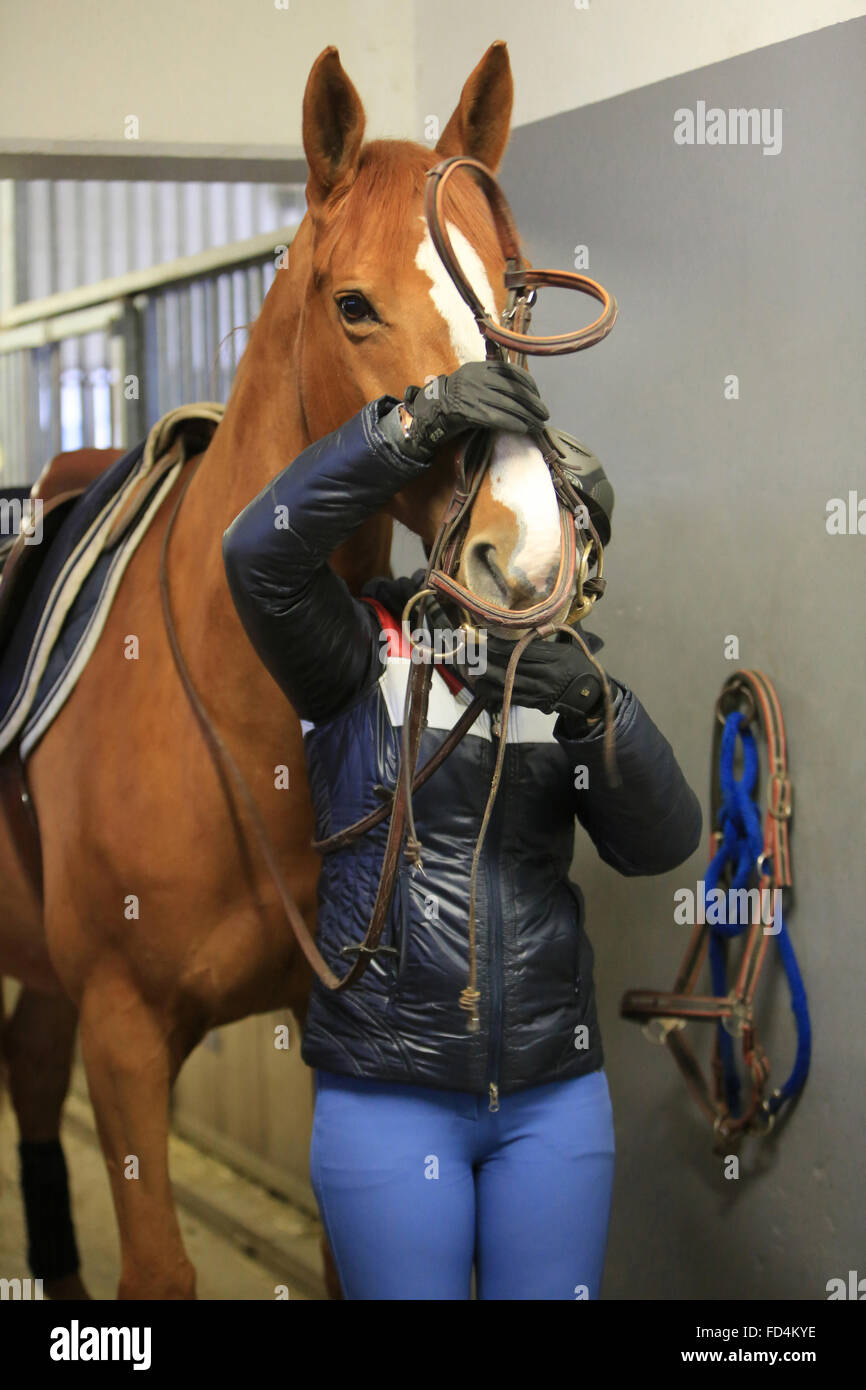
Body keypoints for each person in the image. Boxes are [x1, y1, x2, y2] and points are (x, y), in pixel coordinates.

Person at [222, 360, 702, 1301]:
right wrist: (410, 425)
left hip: (553, 1099)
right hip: (387, 1094)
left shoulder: (571, 694)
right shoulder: (357, 658)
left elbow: (663, 842)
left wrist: (599, 713)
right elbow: (258, 553)